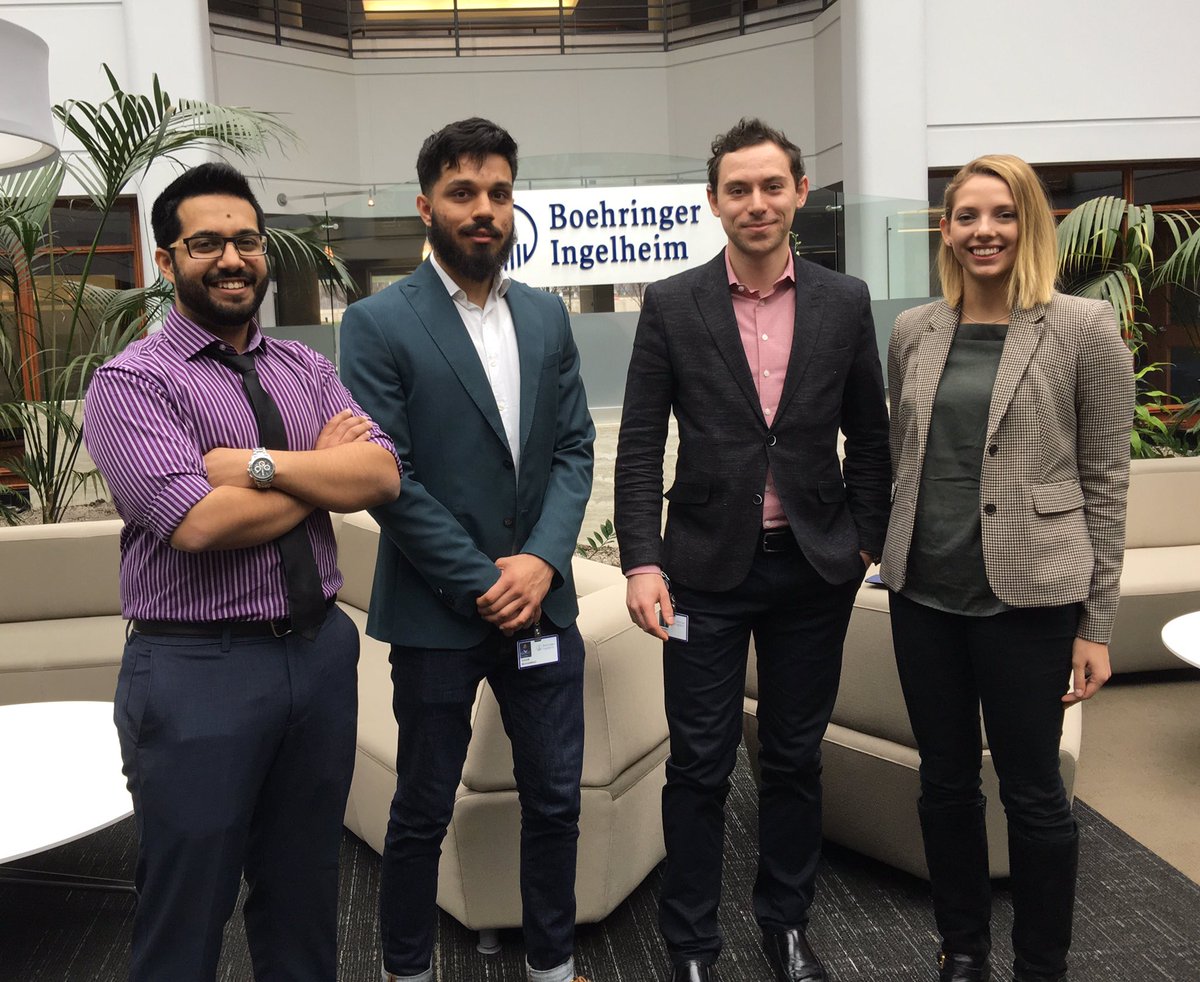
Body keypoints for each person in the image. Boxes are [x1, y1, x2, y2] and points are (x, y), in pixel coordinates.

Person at [82, 161, 402, 981]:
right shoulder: (132, 383)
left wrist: (255, 467)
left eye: (247, 241)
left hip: (319, 655)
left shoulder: (306, 368)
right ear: (167, 261)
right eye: (207, 244)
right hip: (197, 671)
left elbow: (379, 475)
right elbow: (197, 524)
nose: (232, 259)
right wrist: (316, 471)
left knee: (304, 892)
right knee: (187, 903)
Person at [614, 118, 891, 982]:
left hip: (814, 569)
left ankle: (787, 924)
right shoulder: (672, 303)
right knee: (699, 763)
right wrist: (642, 563)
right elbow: (639, 445)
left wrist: (864, 543)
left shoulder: (844, 301)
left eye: (773, 186)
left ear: (800, 193)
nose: (757, 203)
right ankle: (691, 943)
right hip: (702, 574)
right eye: (739, 189)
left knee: (794, 758)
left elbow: (871, 438)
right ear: (714, 201)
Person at [338, 117, 595, 982]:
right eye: (462, 192)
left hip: (543, 608)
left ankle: (553, 966)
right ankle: (407, 969)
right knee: (421, 810)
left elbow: (574, 449)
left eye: (499, 192)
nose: (484, 209)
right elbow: (389, 476)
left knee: (555, 803)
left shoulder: (547, 316)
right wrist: (485, 581)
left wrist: (543, 561)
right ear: (426, 207)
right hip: (437, 613)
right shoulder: (376, 323)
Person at [880, 154, 1133, 982]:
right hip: (925, 595)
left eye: (1003, 214)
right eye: (967, 216)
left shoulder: (1084, 328)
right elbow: (904, 452)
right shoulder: (914, 331)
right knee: (945, 783)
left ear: (1031, 224)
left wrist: (1097, 625)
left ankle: (1039, 965)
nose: (983, 231)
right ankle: (963, 950)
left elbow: (1105, 480)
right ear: (947, 229)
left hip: (1031, 599)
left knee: (1033, 792)